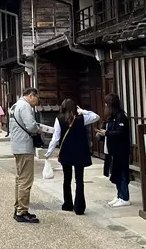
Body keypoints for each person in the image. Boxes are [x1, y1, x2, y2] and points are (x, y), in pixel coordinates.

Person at [45, 99, 100, 215]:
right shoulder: (81, 118)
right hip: (80, 152)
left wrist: (48, 153)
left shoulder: (59, 119)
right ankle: (79, 207)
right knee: (79, 180)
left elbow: (56, 137)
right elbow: (96, 117)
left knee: (67, 179)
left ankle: (68, 204)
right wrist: (83, 111)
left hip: (66, 152)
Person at [8, 88, 46, 223]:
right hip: (24, 146)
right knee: (26, 179)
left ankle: (18, 207)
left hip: (16, 145)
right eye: (37, 98)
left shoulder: (14, 106)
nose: (37, 102)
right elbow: (30, 126)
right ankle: (22, 211)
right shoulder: (25, 106)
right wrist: (38, 130)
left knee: (19, 178)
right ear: (31, 96)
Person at [98, 93, 130, 207]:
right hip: (111, 150)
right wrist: (101, 134)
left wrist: (106, 133)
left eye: (106, 103)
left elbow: (121, 133)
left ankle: (125, 197)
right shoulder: (110, 117)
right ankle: (119, 195)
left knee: (121, 173)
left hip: (120, 150)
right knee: (115, 173)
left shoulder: (121, 116)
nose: (105, 106)